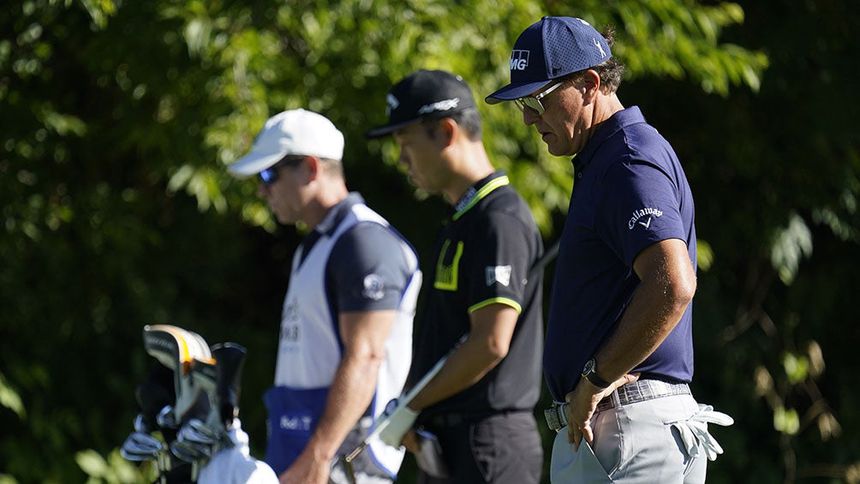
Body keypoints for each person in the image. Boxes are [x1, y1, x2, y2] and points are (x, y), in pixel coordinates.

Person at [486, 16, 733, 483]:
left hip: (626, 427)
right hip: (625, 427)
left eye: (538, 99)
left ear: (589, 84)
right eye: (522, 103)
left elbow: (673, 284)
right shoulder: (608, 157)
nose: (528, 118)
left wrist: (593, 380)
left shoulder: (627, 159)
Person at [366, 70, 545, 484]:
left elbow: (490, 343)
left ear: (446, 132)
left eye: (407, 144)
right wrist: (414, 406)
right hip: (453, 443)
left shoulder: (499, 219)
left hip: (490, 446)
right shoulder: (463, 220)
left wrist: (411, 404)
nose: (402, 160)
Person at [226, 109, 422, 484]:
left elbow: (366, 357)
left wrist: (319, 454)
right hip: (306, 450)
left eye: (269, 175)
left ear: (311, 168)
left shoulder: (363, 242)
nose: (262, 190)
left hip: (341, 463)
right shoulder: (317, 244)